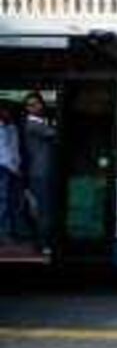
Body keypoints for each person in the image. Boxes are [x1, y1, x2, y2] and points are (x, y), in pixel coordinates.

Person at [20, 92, 56, 254]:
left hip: (44, 171)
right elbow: (53, 133)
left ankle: (43, 242)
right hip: (41, 172)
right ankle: (43, 244)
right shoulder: (33, 124)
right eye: (30, 105)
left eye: (36, 103)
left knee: (45, 209)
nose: (33, 107)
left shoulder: (40, 122)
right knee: (44, 210)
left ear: (42, 104)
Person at [0, 101, 21, 244]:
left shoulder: (13, 127)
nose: (6, 113)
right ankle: (4, 233)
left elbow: (14, 149)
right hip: (2, 167)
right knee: (3, 200)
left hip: (13, 168)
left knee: (13, 201)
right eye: (3, 110)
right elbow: (3, 150)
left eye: (8, 110)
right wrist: (12, 167)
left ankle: (11, 231)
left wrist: (17, 166)